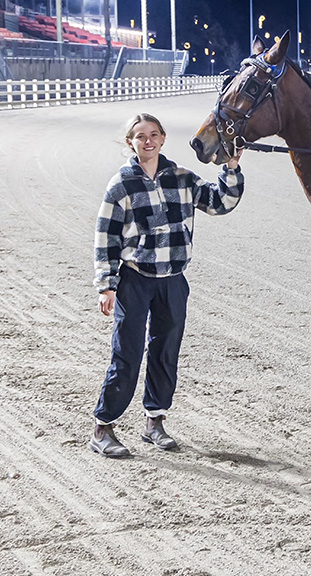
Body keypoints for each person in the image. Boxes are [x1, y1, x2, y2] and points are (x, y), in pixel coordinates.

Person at [90, 113, 244, 458]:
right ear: (130, 142)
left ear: (162, 139)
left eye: (154, 134)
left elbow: (220, 203)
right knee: (126, 354)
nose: (148, 141)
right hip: (135, 281)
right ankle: (103, 427)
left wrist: (231, 167)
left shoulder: (182, 178)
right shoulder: (121, 185)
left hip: (173, 281)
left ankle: (154, 422)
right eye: (140, 136)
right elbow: (106, 237)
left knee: (165, 352)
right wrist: (107, 285)